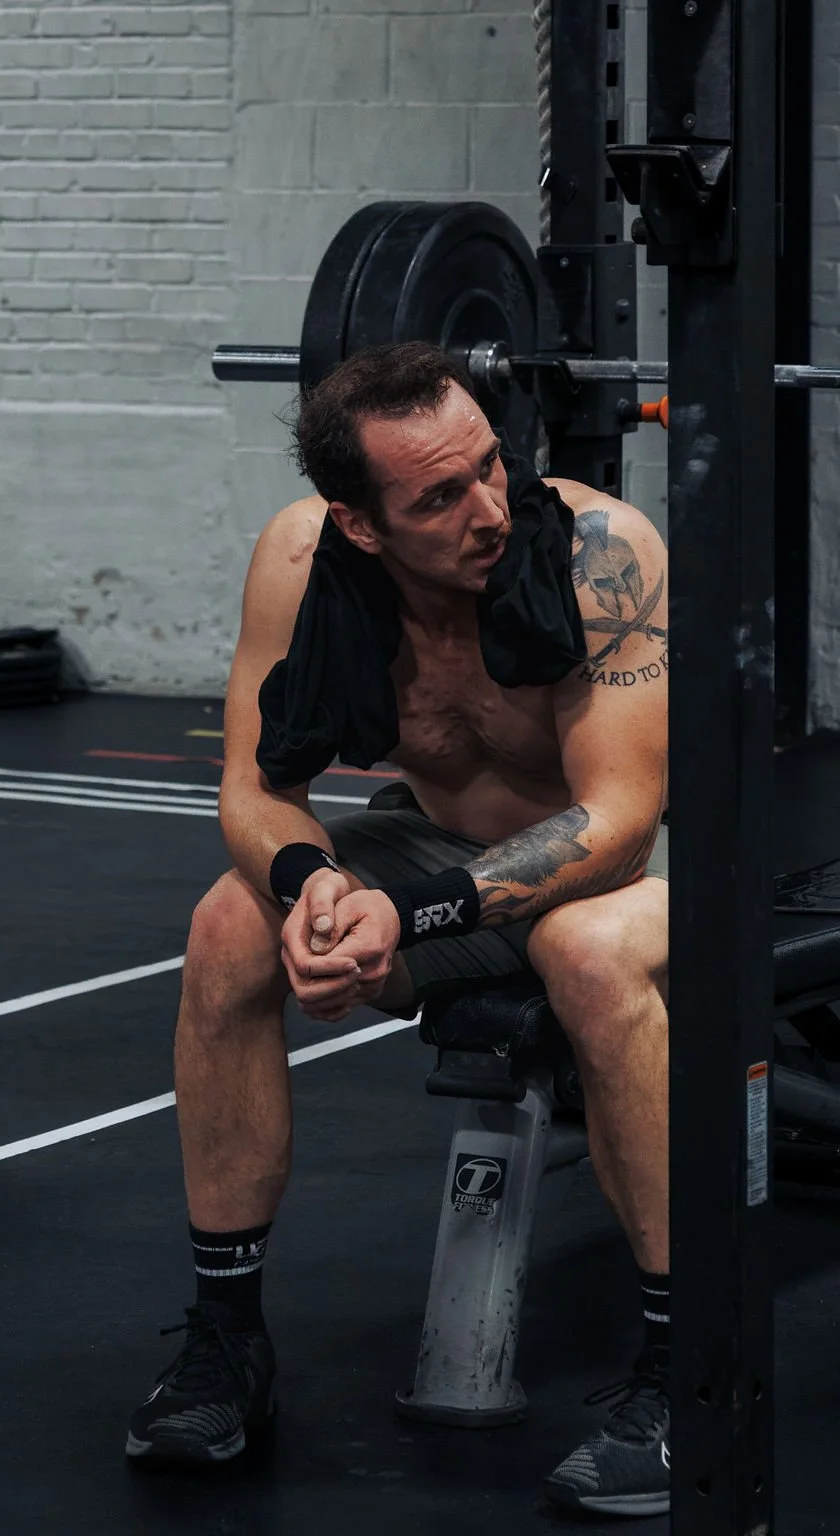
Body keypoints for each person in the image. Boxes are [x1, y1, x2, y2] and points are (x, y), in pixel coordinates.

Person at [126, 342, 670, 1519]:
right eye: (436, 496)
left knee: (583, 953)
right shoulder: (300, 557)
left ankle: (686, 1372)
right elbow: (253, 788)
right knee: (230, 922)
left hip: (621, 873)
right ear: (359, 524)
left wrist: (407, 913)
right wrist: (313, 884)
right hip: (428, 853)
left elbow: (620, 822)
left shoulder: (600, 551)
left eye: (489, 466)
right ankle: (226, 1345)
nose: (484, 510)